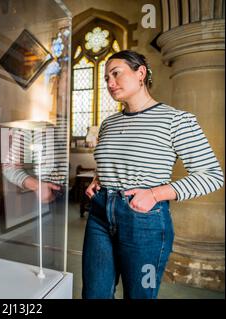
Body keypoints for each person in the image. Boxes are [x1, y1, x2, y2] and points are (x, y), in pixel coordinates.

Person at [82, 50, 224, 299]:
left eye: (116, 74)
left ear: (140, 73)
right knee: (94, 294)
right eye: (106, 79)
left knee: (139, 294)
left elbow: (212, 175)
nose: (110, 83)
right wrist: (98, 178)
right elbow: (111, 161)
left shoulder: (176, 120)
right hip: (100, 214)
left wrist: (155, 194)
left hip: (143, 218)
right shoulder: (109, 123)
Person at [2, 116, 68, 270]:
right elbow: (9, 166)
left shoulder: (64, 121)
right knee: (45, 263)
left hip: (83, 200)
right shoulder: (28, 126)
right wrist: (38, 186)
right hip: (45, 198)